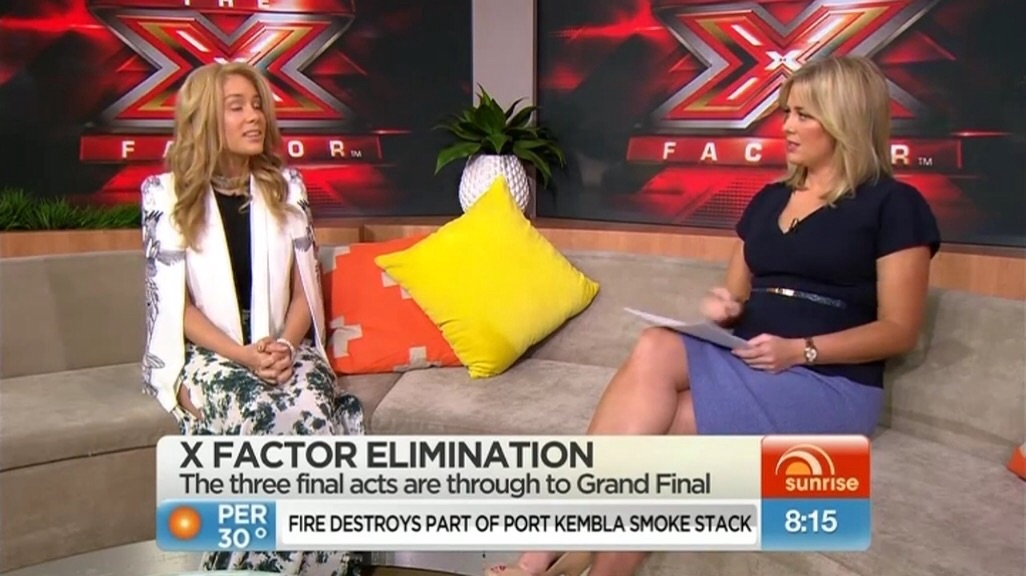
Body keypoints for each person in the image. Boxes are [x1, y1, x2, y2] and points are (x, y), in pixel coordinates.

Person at [486, 55, 942, 576]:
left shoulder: (894, 205)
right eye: (786, 113)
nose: (787, 126)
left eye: (803, 115)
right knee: (657, 350)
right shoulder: (769, 200)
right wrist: (721, 308)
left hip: (827, 381)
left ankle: (562, 558)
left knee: (671, 421)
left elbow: (899, 330)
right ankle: (549, 555)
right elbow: (734, 295)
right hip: (747, 359)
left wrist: (802, 351)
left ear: (845, 121)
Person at [140, 61, 366, 575]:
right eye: (236, 107)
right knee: (264, 415)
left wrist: (284, 346)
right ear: (205, 119)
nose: (254, 116)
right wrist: (243, 356)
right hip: (213, 352)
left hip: (285, 343)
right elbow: (176, 305)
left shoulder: (287, 188)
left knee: (310, 414)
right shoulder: (165, 195)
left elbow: (306, 290)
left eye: (257, 104)